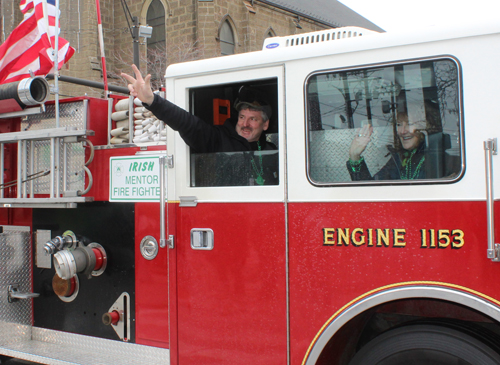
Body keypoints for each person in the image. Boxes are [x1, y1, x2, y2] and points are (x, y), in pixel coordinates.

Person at [121, 64, 276, 154]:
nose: (245, 124)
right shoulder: (218, 139)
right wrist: (152, 101)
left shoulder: (272, 150)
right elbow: (187, 123)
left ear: (265, 124)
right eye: (242, 117)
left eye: (253, 119)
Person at [346, 101, 458, 181]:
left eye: (409, 124)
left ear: (426, 127)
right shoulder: (398, 159)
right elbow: (371, 192)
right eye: (399, 125)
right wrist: (354, 156)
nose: (402, 131)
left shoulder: (445, 160)